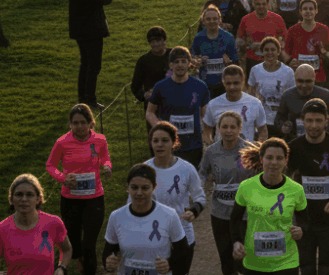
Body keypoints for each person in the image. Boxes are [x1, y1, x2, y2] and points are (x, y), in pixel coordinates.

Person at [287, 99, 329, 275]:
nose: (313, 125)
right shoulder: (294, 147)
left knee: (328, 270)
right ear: (303, 120)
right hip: (302, 219)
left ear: (327, 120)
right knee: (306, 270)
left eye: (318, 120)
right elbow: (284, 178)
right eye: (309, 120)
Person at [45, 104, 111, 275]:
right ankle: (78, 258)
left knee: (89, 243)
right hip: (70, 199)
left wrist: (106, 167)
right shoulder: (62, 142)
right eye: (75, 123)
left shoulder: (100, 140)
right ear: (70, 124)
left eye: (83, 122)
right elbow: (50, 165)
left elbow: (106, 159)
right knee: (72, 242)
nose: (79, 126)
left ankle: (88, 268)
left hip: (94, 198)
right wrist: (63, 178)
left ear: (91, 123)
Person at [229, 139, 309, 275]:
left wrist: (301, 230)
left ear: (285, 160)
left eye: (279, 158)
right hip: (254, 263)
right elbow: (234, 219)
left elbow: (305, 222)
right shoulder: (246, 187)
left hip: (286, 263)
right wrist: (237, 242)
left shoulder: (296, 189)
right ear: (261, 159)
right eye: (269, 157)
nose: (274, 163)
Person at [102, 164, 190, 275]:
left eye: (145, 188)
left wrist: (169, 264)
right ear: (127, 188)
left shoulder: (169, 215)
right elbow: (108, 252)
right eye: (134, 187)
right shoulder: (116, 217)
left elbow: (183, 252)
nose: (139, 193)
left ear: (154, 187)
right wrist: (108, 263)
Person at [198, 111, 256, 275]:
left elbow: (259, 179)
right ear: (218, 129)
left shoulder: (249, 151)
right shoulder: (211, 151)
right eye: (224, 127)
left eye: (232, 127)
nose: (228, 131)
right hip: (220, 213)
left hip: (244, 215)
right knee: (226, 259)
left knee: (244, 260)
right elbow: (202, 173)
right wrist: (198, 189)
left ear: (239, 129)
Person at [144, 122, 205, 273]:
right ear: (151, 143)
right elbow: (131, 204)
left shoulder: (186, 169)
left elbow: (200, 197)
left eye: (165, 140)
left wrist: (194, 211)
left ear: (173, 142)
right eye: (155, 141)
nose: (160, 145)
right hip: (153, 238)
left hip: (183, 237)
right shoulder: (144, 170)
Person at [0, 174, 73, 275]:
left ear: (38, 199)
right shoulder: (1, 229)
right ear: (11, 199)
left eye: (29, 195)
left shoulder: (54, 223)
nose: (24, 199)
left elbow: (67, 249)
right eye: (19, 194)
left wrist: (61, 268)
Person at [147, 46, 211, 167]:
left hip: (193, 145)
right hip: (169, 145)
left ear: (189, 64)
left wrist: (207, 135)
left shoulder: (200, 86)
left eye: (183, 61)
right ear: (170, 65)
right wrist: (161, 128)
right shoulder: (161, 87)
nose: (180, 65)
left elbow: (206, 115)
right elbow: (150, 112)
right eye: (176, 62)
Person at [68, 0, 113, 106]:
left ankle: (82, 96)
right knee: (94, 66)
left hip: (79, 32)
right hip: (92, 32)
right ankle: (90, 98)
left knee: (85, 64)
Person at [282, 0, 329, 96]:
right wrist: (290, 62)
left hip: (319, 77)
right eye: (305, 9)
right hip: (299, 78)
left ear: (316, 11)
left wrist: (326, 54)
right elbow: (286, 53)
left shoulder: (323, 30)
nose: (308, 11)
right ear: (300, 11)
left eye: (311, 9)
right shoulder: (293, 30)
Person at [203, 65, 268, 143]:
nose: (232, 87)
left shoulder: (255, 103)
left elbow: (263, 131)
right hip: (222, 153)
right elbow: (207, 131)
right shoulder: (213, 104)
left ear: (243, 82)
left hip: (245, 153)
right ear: (223, 83)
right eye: (228, 83)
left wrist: (256, 150)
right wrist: (213, 149)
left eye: (236, 83)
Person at [247, 37, 295, 135]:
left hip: (281, 119)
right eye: (266, 50)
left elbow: (293, 96)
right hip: (262, 119)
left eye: (273, 50)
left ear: (278, 51)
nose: (270, 52)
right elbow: (250, 94)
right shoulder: (255, 70)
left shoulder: (288, 71)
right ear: (262, 52)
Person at [275, 64, 329, 140]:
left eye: (308, 81)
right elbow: (279, 118)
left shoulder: (326, 96)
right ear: (295, 80)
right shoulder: (287, 96)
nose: (304, 85)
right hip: (295, 141)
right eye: (300, 81)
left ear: (314, 80)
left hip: (320, 141)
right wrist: (283, 127)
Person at [191, 5, 240, 93]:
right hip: (204, 82)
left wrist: (229, 62)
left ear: (219, 20)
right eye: (208, 19)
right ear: (203, 21)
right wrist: (198, 61)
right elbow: (192, 58)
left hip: (224, 83)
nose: (212, 21)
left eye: (214, 19)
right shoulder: (198, 38)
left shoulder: (228, 37)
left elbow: (236, 61)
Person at [237, 0, 288, 74]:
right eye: (258, 4)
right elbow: (239, 41)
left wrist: (277, 46)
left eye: (264, 4)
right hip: (252, 60)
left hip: (272, 60)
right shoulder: (246, 20)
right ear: (253, 4)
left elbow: (286, 40)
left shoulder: (277, 19)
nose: (261, 7)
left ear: (268, 4)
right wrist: (248, 45)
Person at [133, 26, 170, 104]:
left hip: (175, 101)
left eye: (158, 40)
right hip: (153, 104)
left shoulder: (174, 55)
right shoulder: (143, 61)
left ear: (164, 40)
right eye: (152, 42)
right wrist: (144, 96)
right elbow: (135, 86)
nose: (155, 44)